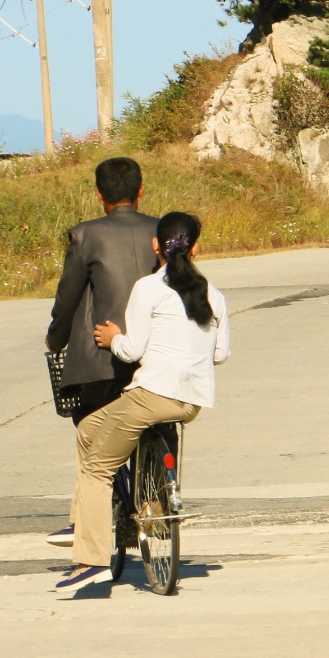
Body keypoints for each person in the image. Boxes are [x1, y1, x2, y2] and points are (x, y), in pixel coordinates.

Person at [57, 211, 231, 592]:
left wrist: (113, 337)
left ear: (156, 246)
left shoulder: (149, 288)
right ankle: (109, 514)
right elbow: (220, 354)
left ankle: (90, 559)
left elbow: (130, 349)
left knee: (96, 469)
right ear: (197, 248)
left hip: (150, 396)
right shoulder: (213, 294)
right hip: (191, 402)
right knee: (91, 428)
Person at [44, 157, 157, 548]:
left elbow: (69, 295)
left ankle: (84, 520)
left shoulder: (84, 235)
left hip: (100, 360)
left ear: (99, 195)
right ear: (141, 190)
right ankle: (157, 499)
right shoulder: (162, 230)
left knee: (91, 435)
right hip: (154, 356)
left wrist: (55, 338)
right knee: (157, 425)